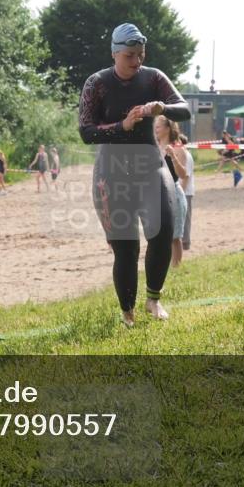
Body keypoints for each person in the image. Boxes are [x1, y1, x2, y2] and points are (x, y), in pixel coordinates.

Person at [78, 22, 190, 326]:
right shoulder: (96, 83)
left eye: (141, 54)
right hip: (111, 172)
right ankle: (127, 312)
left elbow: (184, 109)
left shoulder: (153, 77)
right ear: (114, 54)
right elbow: (86, 131)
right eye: (130, 55)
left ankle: (153, 299)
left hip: (150, 165)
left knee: (163, 230)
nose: (136, 61)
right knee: (126, 247)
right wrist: (122, 126)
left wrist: (161, 107)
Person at [154, 116, 188, 267]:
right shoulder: (153, 147)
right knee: (159, 236)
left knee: (175, 236)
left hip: (173, 193)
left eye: (158, 127)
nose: (155, 129)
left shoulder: (178, 148)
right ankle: (162, 267)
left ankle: (176, 268)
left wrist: (173, 156)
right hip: (156, 195)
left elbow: (183, 174)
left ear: (167, 128)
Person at [178, 134, 195, 251]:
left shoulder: (186, 156)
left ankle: (185, 243)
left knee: (185, 218)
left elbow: (186, 177)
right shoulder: (181, 155)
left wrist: (181, 193)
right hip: (182, 190)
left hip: (186, 192)